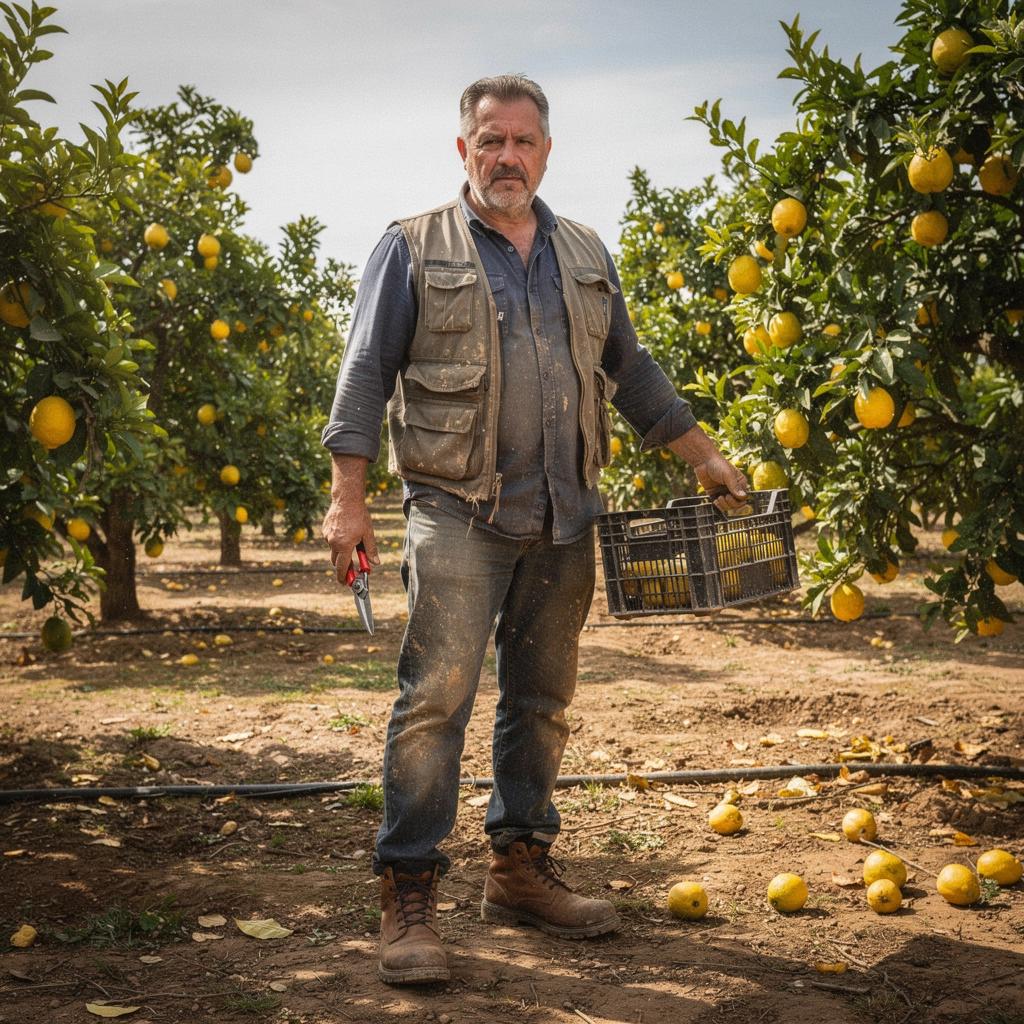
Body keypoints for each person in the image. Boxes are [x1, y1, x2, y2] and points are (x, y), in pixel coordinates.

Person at [320, 74, 748, 985]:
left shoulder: (583, 250)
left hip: (564, 515)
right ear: (463, 149)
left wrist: (702, 455)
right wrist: (347, 498)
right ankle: (409, 893)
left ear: (546, 152)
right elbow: (363, 375)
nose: (505, 155)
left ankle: (518, 868)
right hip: (456, 512)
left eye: (522, 141)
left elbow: (631, 370)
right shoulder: (411, 246)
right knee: (435, 702)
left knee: (541, 702)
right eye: (489, 140)